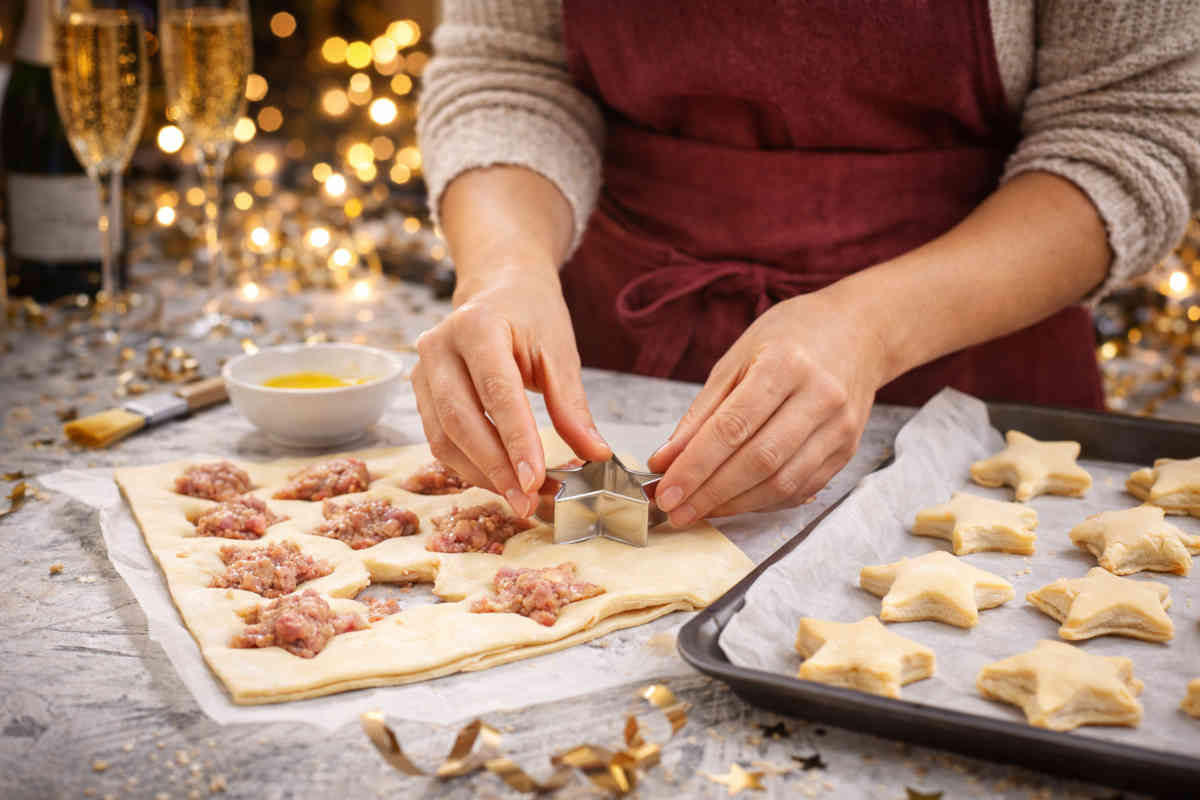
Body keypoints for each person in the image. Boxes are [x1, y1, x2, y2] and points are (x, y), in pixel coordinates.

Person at [412, 1, 1200, 528]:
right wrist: (505, 267)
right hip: (612, 363)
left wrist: (869, 326)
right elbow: (508, 71)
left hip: (971, 375)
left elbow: (1130, 130)